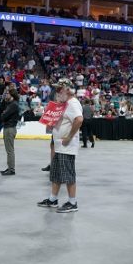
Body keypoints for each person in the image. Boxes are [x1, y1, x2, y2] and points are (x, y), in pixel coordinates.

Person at [37, 79, 83, 212]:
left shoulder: (73, 103)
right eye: (56, 89)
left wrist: (69, 137)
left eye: (60, 89)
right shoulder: (64, 103)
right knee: (56, 174)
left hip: (66, 146)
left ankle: (72, 202)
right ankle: (53, 199)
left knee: (68, 174)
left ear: (68, 90)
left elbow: (79, 120)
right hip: (59, 146)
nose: (57, 92)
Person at [0, 88, 20, 176]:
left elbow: (3, 116)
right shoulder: (10, 104)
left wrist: (3, 114)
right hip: (8, 127)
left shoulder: (13, 105)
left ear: (12, 95)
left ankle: (11, 169)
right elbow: (1, 111)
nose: (6, 94)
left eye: (8, 93)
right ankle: (9, 167)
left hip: (9, 128)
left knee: (10, 150)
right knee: (9, 150)